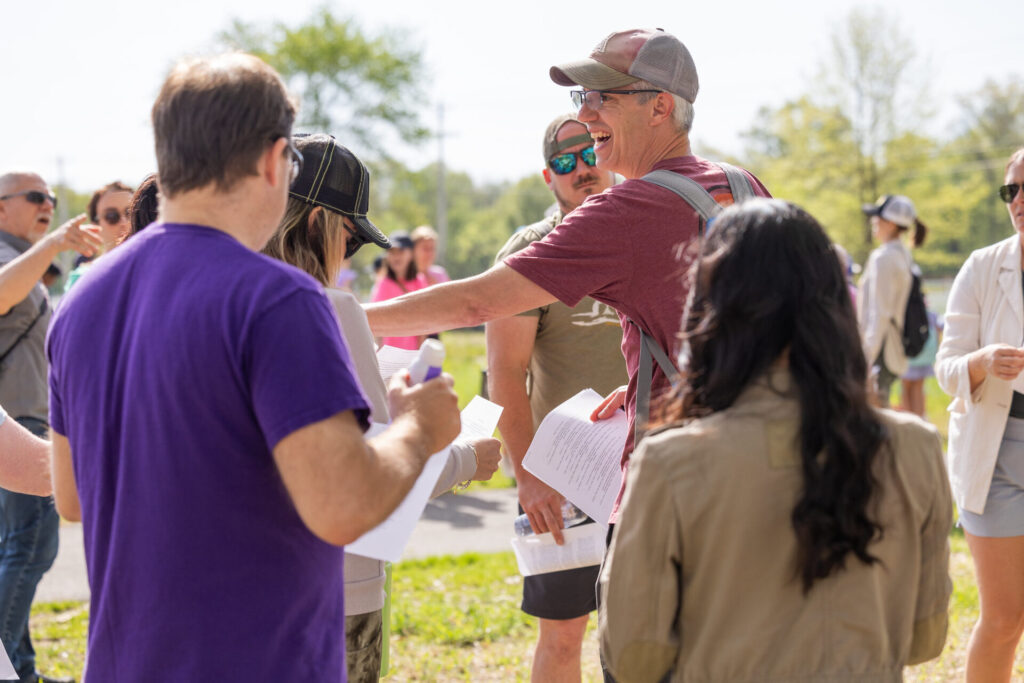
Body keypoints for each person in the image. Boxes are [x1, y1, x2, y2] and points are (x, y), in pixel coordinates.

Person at [46, 53, 461, 681]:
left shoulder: (80, 301)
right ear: (274, 161)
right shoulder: (281, 299)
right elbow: (343, 507)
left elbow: (73, 496)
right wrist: (419, 426)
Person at [366, 28, 771, 530]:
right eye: (584, 97)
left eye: (604, 97)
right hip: (766, 467)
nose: (585, 114)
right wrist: (672, 378)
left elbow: (477, 303)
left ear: (660, 107)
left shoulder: (625, 210)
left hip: (681, 492)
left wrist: (346, 317)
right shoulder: (740, 184)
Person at [599, 199, 952, 682]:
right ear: (836, 309)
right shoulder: (918, 447)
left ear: (711, 314)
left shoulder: (669, 463)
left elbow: (635, 657)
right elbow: (924, 639)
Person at [262, 133, 500, 681]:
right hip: (338, 588)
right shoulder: (330, 310)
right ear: (318, 221)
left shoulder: (220, 301)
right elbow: (367, 478)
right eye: (351, 239)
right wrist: (464, 456)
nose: (348, 256)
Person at [486, 113, 625, 682]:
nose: (582, 169)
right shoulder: (531, 250)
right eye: (565, 162)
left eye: (589, 152)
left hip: (643, 470)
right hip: (560, 476)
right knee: (564, 635)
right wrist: (528, 476)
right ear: (549, 176)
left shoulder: (641, 230)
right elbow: (504, 373)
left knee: (643, 631)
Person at [0, 170, 100, 683]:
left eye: (52, 198)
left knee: (17, 548)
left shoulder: (28, 258)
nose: (48, 205)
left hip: (22, 421)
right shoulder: (8, 255)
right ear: (0, 208)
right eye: (36, 197)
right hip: (17, 422)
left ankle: (23, 667)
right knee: (31, 547)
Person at [935, 147, 1024, 682]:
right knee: (1003, 619)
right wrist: (980, 362)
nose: (1018, 200)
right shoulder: (983, 267)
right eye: (1011, 189)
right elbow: (946, 368)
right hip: (996, 458)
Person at [856, 194, 928, 407]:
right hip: (892, 347)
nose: (873, 222)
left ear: (890, 224)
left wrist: (866, 355)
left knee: (873, 414)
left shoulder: (884, 257)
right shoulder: (903, 255)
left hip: (881, 349)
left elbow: (880, 312)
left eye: (878, 218)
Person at [64, 181, 134, 290]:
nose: (124, 222)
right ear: (95, 225)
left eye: (130, 213)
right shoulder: (82, 279)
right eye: (111, 216)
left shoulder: (156, 267)